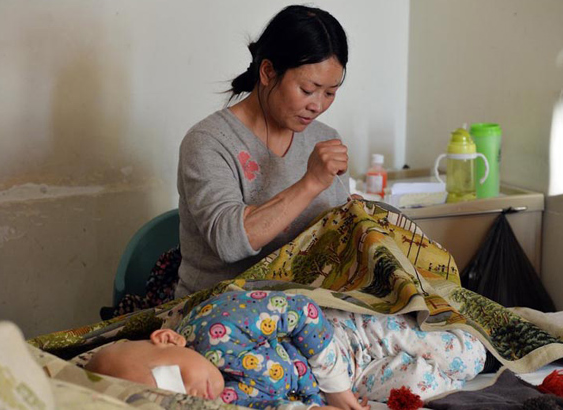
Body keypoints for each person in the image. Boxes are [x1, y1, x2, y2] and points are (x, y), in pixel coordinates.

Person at [176, 5, 352, 298]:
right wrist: (311, 183)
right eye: (308, 90)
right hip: (218, 310)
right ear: (268, 72)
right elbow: (229, 242)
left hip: (304, 310)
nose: (318, 105)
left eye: (330, 93)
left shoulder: (326, 139)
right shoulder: (209, 141)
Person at [86, 291, 487, 410]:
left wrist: (334, 387)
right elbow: (276, 405)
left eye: (172, 378)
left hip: (348, 336)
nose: (188, 395)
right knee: (424, 388)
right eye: (171, 401)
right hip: (356, 380)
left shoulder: (215, 329)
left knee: (470, 356)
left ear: (169, 341)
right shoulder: (213, 401)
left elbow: (302, 312)